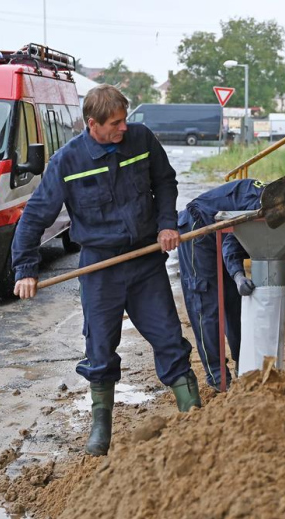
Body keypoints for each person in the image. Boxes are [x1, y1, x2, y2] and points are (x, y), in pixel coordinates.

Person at [11, 84, 201, 457]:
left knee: (167, 337)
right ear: (92, 124)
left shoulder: (141, 140)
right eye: (115, 123)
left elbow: (165, 181)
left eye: (125, 119)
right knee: (99, 348)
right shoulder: (67, 162)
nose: (123, 128)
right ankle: (101, 428)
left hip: (145, 261)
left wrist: (167, 223)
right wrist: (25, 269)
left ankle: (192, 414)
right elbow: (35, 217)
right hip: (100, 268)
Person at [178, 180, 285, 390]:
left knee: (234, 302)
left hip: (223, 230)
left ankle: (243, 366)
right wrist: (237, 276)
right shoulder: (264, 209)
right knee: (206, 305)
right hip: (199, 229)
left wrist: (236, 279)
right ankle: (218, 378)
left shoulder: (279, 201)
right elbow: (231, 244)